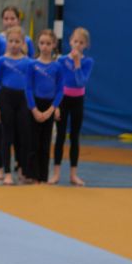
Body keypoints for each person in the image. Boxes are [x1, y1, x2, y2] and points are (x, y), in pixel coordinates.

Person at [0, 6, 34, 170]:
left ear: (18, 20)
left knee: (20, 127)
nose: (9, 21)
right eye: (6, 18)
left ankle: (19, 161)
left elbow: (31, 63)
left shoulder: (26, 40)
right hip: (3, 88)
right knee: (1, 126)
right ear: (2, 20)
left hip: (21, 91)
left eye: (12, 18)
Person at [49, 27, 93, 186]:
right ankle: (56, 173)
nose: (77, 45)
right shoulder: (61, 61)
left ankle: (73, 174)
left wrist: (77, 63)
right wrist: (55, 105)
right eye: (75, 41)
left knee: (74, 137)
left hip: (77, 101)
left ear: (86, 45)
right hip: (63, 100)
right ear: (70, 42)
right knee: (60, 136)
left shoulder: (88, 62)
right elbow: (56, 83)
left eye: (81, 42)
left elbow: (81, 82)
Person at [26, 29, 63, 183]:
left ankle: (43, 176)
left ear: (54, 45)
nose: (45, 46)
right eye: (42, 43)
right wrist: (34, 109)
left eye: (48, 43)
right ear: (38, 44)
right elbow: (28, 88)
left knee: (45, 143)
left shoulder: (57, 67)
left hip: (49, 106)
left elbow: (60, 90)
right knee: (33, 142)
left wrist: (51, 109)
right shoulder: (32, 64)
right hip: (35, 104)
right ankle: (32, 175)